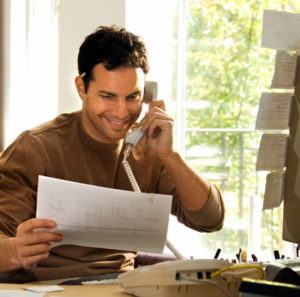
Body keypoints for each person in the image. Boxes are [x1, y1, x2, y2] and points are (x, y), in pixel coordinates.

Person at [0, 25, 225, 283]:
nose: (121, 112)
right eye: (107, 96)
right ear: (82, 88)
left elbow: (210, 220)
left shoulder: (149, 147)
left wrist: (170, 155)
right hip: (51, 288)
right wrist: (15, 251)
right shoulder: (36, 148)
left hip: (121, 286)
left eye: (133, 97)